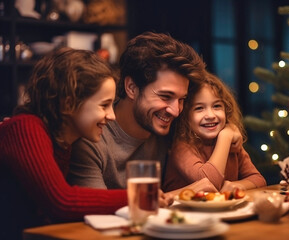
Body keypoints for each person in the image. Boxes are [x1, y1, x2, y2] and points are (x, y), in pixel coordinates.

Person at [0, 48, 168, 240]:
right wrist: (138, 196)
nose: (111, 116)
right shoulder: (25, 128)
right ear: (68, 104)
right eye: (104, 105)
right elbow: (62, 201)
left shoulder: (66, 140)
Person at [67, 32, 221, 195]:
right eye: (165, 96)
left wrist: (228, 133)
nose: (175, 111)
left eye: (181, 99)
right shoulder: (92, 135)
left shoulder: (175, 127)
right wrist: (185, 193)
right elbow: (96, 210)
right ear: (132, 88)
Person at [163, 71, 267, 192]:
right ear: (185, 117)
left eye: (217, 106)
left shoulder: (232, 145)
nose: (210, 115)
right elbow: (209, 181)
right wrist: (225, 136)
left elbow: (258, 179)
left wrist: (237, 186)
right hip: (180, 210)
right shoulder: (182, 147)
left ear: (226, 110)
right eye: (199, 108)